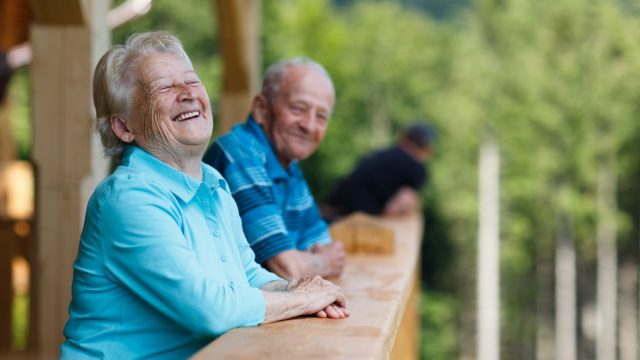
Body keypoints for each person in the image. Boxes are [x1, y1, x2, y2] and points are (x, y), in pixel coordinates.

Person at [61, 32, 348, 359]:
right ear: (125, 127)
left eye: (192, 81)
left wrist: (305, 292)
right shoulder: (127, 198)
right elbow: (211, 310)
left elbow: (247, 274)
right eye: (165, 87)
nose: (187, 94)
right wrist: (300, 300)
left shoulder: (212, 182)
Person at [203, 58, 345, 280]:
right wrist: (320, 263)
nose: (309, 125)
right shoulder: (241, 154)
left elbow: (322, 242)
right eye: (299, 109)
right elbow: (287, 268)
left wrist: (308, 260)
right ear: (261, 108)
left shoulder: (288, 164)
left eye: (321, 116)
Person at [325, 122, 435, 218]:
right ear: (428, 150)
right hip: (358, 220)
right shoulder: (417, 169)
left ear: (403, 138)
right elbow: (397, 208)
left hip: (331, 210)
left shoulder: (379, 154)